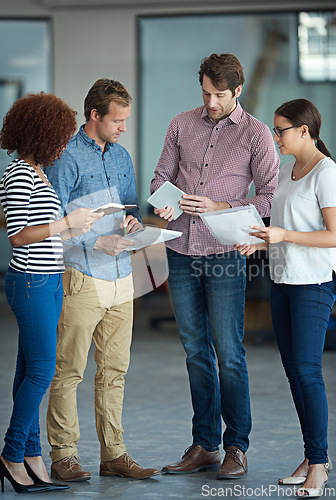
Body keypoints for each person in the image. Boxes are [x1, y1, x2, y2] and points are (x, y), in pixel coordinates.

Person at [150, 53, 279, 478]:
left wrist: (222, 204)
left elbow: (270, 199)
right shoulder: (180, 124)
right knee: (194, 352)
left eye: (219, 95)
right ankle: (204, 443)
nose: (210, 102)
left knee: (229, 353)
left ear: (236, 91)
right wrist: (167, 204)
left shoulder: (257, 134)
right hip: (181, 251)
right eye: (205, 93)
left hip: (225, 253)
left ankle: (236, 447)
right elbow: (158, 180)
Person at [45, 78, 160, 481]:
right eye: (117, 120)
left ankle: (114, 454)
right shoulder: (64, 158)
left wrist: (133, 223)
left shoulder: (123, 156)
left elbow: (131, 210)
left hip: (122, 275)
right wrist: (98, 240)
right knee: (69, 369)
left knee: (114, 370)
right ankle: (63, 456)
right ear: (95, 115)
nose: (123, 128)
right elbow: (51, 224)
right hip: (82, 275)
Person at [0, 92, 102, 494]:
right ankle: (11, 454)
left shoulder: (38, 172)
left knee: (29, 369)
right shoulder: (20, 173)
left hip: (48, 279)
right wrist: (65, 224)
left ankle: (31, 455)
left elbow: (42, 227)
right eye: (59, 135)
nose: (64, 143)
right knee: (43, 371)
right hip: (31, 282)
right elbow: (18, 235)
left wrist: (75, 226)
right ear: (42, 134)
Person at [236, 98, 336, 498]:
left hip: (313, 284)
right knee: (295, 372)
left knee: (308, 371)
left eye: (280, 130)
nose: (274, 136)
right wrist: (260, 244)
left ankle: (319, 464)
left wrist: (283, 236)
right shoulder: (288, 171)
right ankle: (312, 456)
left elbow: (333, 235)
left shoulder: (326, 173)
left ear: (304, 131)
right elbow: (284, 227)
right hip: (282, 279)